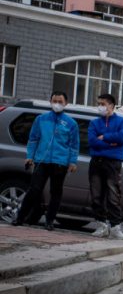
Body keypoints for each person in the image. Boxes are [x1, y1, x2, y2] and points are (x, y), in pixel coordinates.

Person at [14, 91, 79, 231]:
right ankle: (20, 218)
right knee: (34, 189)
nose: (57, 104)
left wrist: (73, 162)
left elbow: (74, 145)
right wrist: (30, 156)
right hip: (41, 160)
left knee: (56, 192)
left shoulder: (71, 123)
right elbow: (33, 139)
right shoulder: (41, 119)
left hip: (60, 162)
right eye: (54, 101)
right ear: (50, 102)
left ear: (66, 103)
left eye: (60, 101)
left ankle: (49, 221)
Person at [88, 93, 123, 240]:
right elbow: (93, 142)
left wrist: (104, 137)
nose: (100, 106)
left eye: (103, 104)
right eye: (98, 103)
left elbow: (121, 138)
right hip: (96, 161)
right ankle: (101, 225)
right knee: (96, 195)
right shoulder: (94, 123)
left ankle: (115, 227)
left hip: (113, 163)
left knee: (114, 196)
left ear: (111, 106)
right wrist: (111, 143)